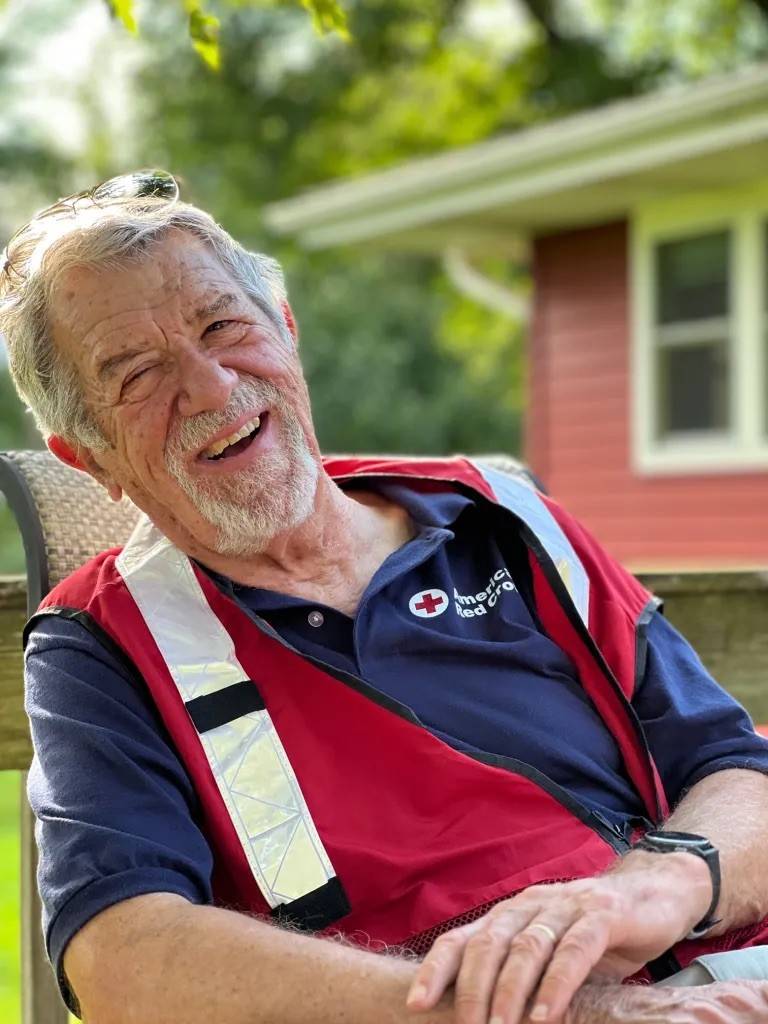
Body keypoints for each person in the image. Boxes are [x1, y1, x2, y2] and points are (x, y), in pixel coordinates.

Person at [2, 170, 768, 1024]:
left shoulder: (498, 514)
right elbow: (122, 955)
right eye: (137, 373)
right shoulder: (103, 642)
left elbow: (734, 766)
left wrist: (658, 888)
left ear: (286, 332)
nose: (213, 387)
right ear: (89, 456)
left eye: (224, 325)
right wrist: (563, 1016)